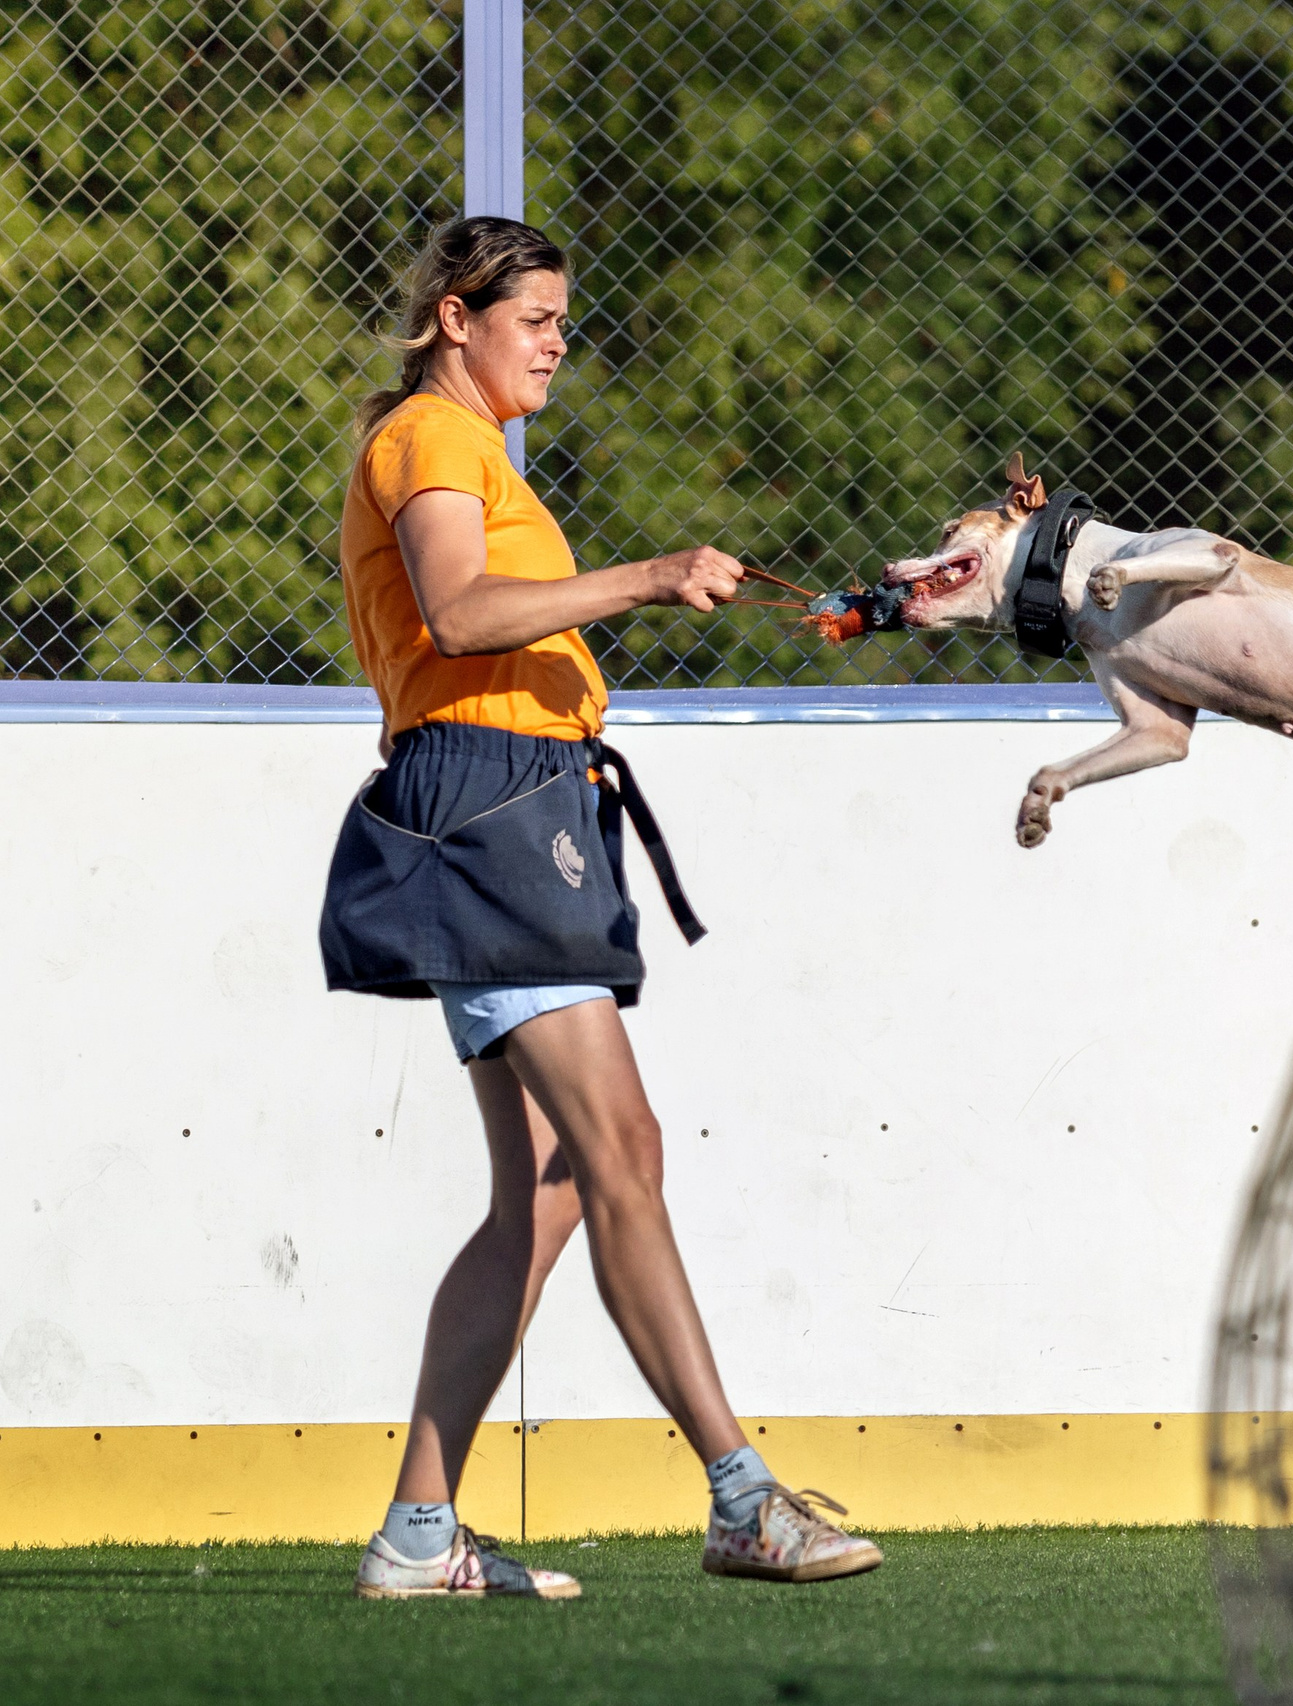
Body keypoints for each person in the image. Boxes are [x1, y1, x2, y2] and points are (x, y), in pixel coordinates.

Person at [319, 215, 880, 1600]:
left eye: (566, 319)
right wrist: (648, 573)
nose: (560, 342)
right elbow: (456, 611)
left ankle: (415, 1532)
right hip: (491, 809)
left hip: (520, 807)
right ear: (458, 317)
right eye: (538, 319)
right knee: (618, 1146)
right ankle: (744, 1495)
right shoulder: (434, 442)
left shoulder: (473, 452)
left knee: (555, 1190)